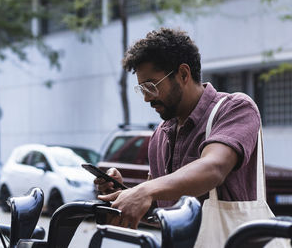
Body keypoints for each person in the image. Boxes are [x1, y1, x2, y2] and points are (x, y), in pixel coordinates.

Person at [96, 28, 261, 230]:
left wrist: (146, 190)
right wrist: (125, 195)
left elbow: (213, 168)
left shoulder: (235, 108)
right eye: (142, 89)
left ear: (183, 74)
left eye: (151, 86)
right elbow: (159, 210)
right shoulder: (160, 135)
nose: (147, 98)